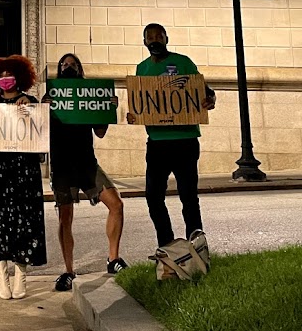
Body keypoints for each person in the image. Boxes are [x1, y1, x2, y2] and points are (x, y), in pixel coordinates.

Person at [127, 23, 216, 251]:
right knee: (153, 197)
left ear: (166, 38)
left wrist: (210, 99)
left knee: (189, 197)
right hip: (157, 144)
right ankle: (168, 246)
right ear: (144, 42)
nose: (155, 40)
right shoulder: (141, 69)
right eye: (150, 37)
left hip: (185, 141)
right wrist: (135, 113)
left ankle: (197, 246)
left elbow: (204, 91)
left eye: (159, 36)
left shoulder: (183, 62)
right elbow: (141, 102)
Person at [44, 53, 127, 292]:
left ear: (80, 70)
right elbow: (38, 129)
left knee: (116, 204)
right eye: (64, 65)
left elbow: (99, 132)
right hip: (62, 166)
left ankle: (113, 259)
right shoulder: (50, 96)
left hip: (88, 164)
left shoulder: (89, 95)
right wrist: (43, 109)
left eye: (73, 65)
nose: (68, 67)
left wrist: (108, 110)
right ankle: (68, 270)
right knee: (65, 218)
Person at [0, 55, 47, 299]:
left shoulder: (31, 102)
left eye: (10, 75)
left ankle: (21, 272)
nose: (5, 79)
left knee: (24, 219)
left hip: (23, 170)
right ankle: (1, 273)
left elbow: (39, 135)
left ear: (20, 77)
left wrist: (29, 111)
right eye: (1, 76)